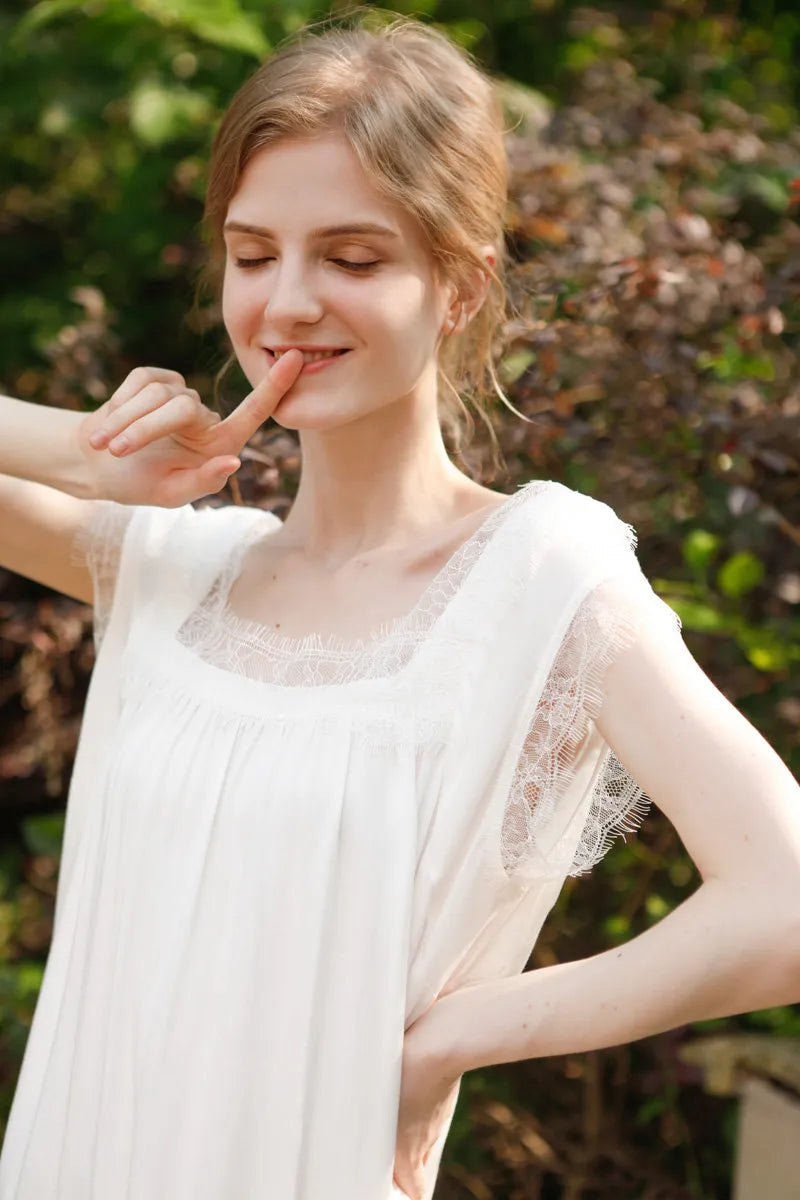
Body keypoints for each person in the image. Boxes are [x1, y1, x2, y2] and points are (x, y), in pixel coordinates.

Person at [1, 12, 799, 1200]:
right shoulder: (174, 568)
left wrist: (454, 1039)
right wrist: (82, 449)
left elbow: (783, 896)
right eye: (254, 251)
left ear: (462, 283)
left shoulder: (536, 574)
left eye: (353, 258)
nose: (286, 303)